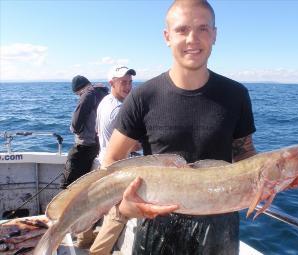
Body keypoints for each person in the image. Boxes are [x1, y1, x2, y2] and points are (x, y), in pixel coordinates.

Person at [103, 1, 257, 254]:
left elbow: (245, 153)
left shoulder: (236, 94)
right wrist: (123, 205)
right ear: (167, 36)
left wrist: (277, 175)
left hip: (220, 225)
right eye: (182, 29)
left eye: (203, 29)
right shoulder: (142, 96)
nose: (192, 39)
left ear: (215, 35)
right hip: (155, 224)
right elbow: (113, 158)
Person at [89, 65, 136, 255]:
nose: (128, 86)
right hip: (115, 169)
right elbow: (132, 146)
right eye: (123, 82)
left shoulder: (104, 102)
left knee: (93, 209)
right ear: (112, 83)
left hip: (101, 161)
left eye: (130, 82)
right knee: (117, 215)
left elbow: (98, 131)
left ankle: (84, 240)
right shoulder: (119, 110)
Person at [60, 75, 108, 247]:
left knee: (67, 190)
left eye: (77, 95)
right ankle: (85, 234)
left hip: (84, 148)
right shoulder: (103, 93)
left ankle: (70, 233)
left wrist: (73, 127)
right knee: (89, 191)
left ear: (79, 90)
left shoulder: (87, 95)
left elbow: (76, 125)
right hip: (98, 148)